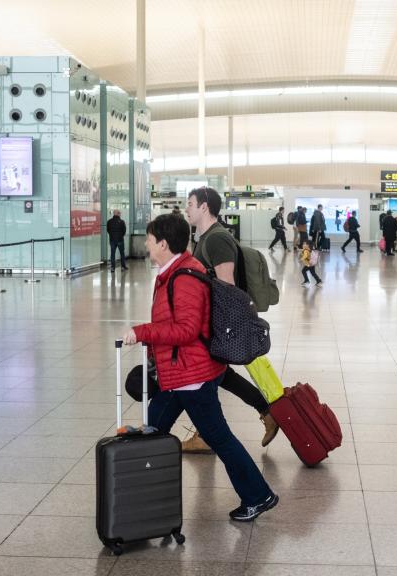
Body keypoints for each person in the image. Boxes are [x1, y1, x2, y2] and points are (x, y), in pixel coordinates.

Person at [123, 213, 278, 522]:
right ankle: (138, 506)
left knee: (219, 438)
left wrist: (143, 333)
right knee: (153, 431)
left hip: (192, 377)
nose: (146, 244)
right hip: (179, 374)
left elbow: (187, 330)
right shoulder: (175, 271)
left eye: (150, 240)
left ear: (164, 244)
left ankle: (258, 495)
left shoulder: (184, 278)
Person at [184, 187, 280, 452]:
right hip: (207, 320)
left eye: (190, 203)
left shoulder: (217, 239)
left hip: (217, 322)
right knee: (217, 376)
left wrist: (220, 329)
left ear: (204, 207)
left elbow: (226, 285)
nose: (186, 208)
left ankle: (209, 435)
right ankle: (263, 412)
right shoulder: (203, 238)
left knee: (210, 376)